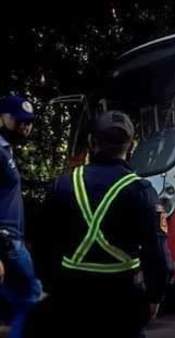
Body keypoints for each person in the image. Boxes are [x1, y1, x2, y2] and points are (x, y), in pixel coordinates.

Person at [29, 111, 174, 338]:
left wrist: (51, 285)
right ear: (132, 146)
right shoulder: (141, 191)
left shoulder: (64, 185)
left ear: (91, 143)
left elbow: (41, 241)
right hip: (121, 299)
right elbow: (157, 254)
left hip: (71, 298)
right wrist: (155, 296)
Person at [0, 96, 42, 338]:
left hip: (13, 239)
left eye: (28, 122)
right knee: (31, 295)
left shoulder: (7, 151)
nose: (25, 126)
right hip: (7, 241)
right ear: (3, 118)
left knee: (16, 299)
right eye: (19, 120)